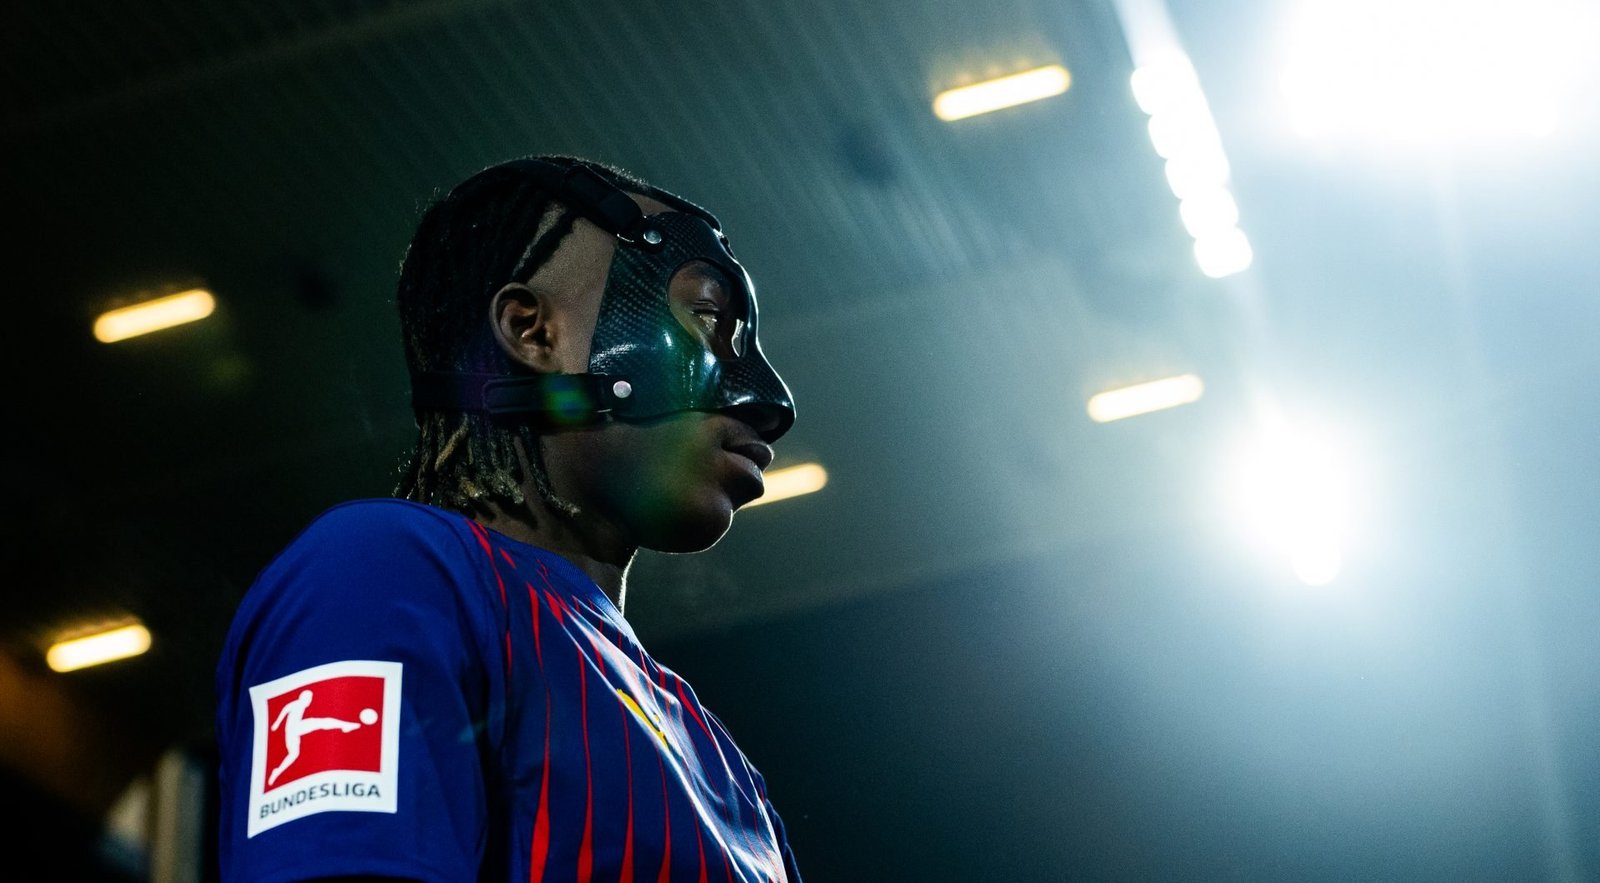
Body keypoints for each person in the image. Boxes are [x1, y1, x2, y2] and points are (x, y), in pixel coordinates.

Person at [214, 155, 803, 882]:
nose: (771, 401)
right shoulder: (378, 571)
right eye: (706, 319)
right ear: (532, 331)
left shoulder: (719, 760)